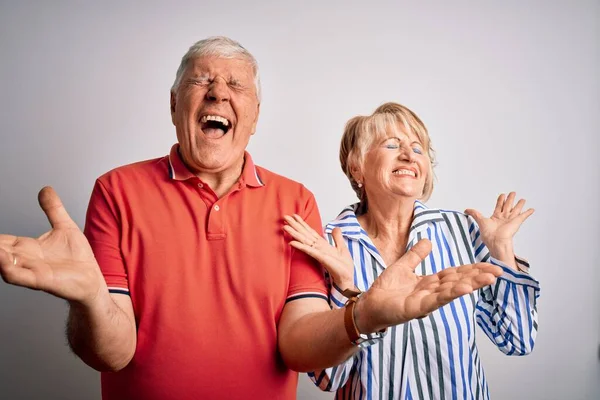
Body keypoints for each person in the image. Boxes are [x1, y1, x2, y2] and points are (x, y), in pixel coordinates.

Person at [0, 38, 504, 400]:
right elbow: (112, 353)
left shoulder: (296, 202)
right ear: (175, 105)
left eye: (235, 85)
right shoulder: (116, 191)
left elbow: (298, 344)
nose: (218, 93)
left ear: (255, 115)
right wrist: (89, 296)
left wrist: (363, 316)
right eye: (202, 81)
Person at [283, 102, 540, 399]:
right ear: (357, 168)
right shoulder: (327, 244)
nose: (408, 155)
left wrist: (502, 250)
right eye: (392, 144)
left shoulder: (462, 231)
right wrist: (347, 287)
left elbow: (517, 340)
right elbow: (327, 378)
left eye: (418, 149)